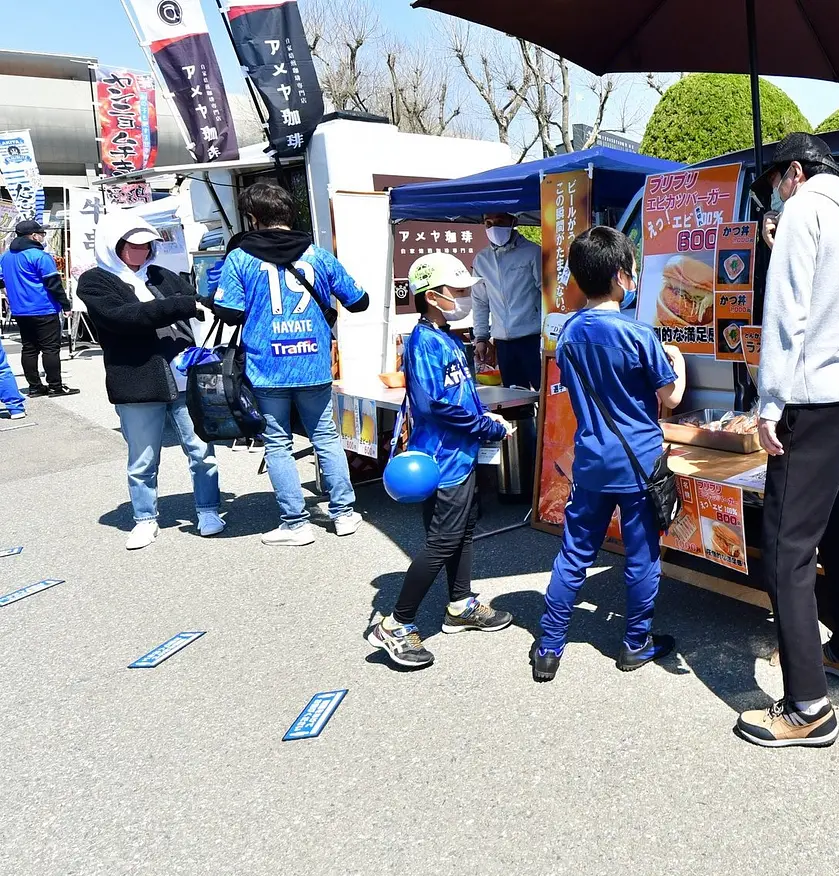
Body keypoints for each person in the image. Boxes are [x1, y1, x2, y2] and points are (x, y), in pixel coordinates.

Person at [735, 133, 839, 749]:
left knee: (786, 545)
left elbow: (788, 314)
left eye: (774, 182)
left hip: (812, 400)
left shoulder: (803, 209)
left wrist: (769, 403)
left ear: (793, 172)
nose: (773, 194)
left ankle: (806, 706)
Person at [531, 226, 685, 683]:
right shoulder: (640, 335)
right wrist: (675, 360)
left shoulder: (570, 332)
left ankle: (548, 645)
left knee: (574, 553)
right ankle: (635, 643)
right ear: (622, 276)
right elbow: (671, 399)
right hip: (639, 463)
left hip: (591, 460)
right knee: (641, 557)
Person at [366, 253, 517, 669]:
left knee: (464, 529)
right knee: (442, 541)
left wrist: (486, 418)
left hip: (461, 455)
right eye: (460, 290)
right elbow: (437, 406)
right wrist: (488, 427)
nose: (468, 296)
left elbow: (458, 398)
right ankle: (397, 624)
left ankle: (460, 603)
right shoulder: (424, 342)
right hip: (441, 458)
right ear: (433, 296)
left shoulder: (447, 335)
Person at [213, 182, 369, 546]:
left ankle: (295, 523)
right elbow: (358, 301)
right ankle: (344, 513)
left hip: (267, 367)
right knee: (325, 436)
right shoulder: (317, 254)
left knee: (277, 442)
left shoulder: (240, 257)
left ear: (253, 219)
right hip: (313, 361)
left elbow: (230, 313)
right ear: (288, 213)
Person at [78, 213, 223, 550]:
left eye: (147, 244)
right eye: (134, 244)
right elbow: (125, 318)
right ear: (113, 245)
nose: (142, 251)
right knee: (143, 459)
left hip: (184, 376)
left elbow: (198, 303)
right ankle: (144, 518)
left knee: (202, 451)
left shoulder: (162, 275)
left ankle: (208, 510)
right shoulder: (95, 281)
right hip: (136, 380)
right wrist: (179, 305)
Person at [0, 220, 80, 397]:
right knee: (50, 349)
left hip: (20, 310)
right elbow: (54, 284)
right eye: (42, 234)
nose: (43, 237)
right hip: (44, 308)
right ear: (34, 235)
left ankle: (35, 387)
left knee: (29, 348)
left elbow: (0, 280)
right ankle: (55, 386)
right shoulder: (40, 256)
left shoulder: (5, 257)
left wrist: (11, 293)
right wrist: (66, 305)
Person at [471, 212, 544, 391]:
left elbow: (547, 293)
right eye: (488, 223)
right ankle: (521, 420)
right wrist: (481, 337)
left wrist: (549, 333)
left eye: (499, 221)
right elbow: (480, 301)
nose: (494, 227)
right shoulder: (481, 260)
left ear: (514, 221)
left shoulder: (533, 252)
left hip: (533, 338)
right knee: (514, 399)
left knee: (544, 394)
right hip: (503, 342)